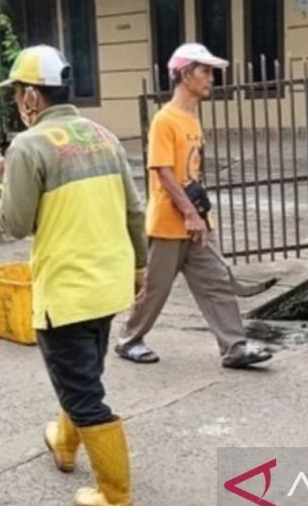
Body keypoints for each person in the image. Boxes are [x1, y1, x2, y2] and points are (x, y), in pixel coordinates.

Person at [0, 45, 147, 506]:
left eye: (18, 92)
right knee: (81, 373)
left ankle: (115, 494)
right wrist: (139, 267)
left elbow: (13, 223)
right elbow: (134, 210)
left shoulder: (29, 146)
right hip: (109, 283)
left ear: (33, 96)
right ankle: (64, 441)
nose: (17, 100)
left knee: (83, 393)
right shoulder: (103, 136)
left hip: (67, 291)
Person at [115, 43, 273, 369]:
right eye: (205, 71)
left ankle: (234, 348)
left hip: (195, 221)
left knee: (216, 282)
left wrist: (199, 214)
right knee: (155, 291)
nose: (211, 78)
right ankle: (128, 339)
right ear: (185, 75)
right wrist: (189, 212)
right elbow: (162, 171)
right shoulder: (165, 120)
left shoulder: (191, 119)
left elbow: (191, 172)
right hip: (168, 224)